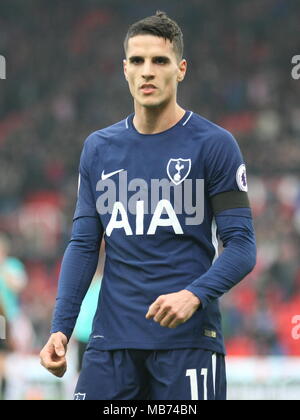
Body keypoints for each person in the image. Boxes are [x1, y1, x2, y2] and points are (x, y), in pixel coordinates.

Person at [40, 11, 256, 400]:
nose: (148, 71)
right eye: (137, 61)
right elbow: (84, 245)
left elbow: (241, 245)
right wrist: (61, 327)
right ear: (125, 69)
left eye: (160, 61)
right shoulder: (99, 149)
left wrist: (194, 295)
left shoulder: (215, 145)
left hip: (188, 342)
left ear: (182, 69)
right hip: (111, 344)